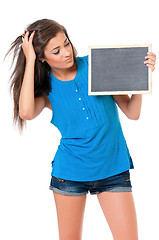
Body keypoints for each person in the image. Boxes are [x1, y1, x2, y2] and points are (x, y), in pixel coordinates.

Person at [6, 18, 156, 240]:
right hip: (70, 174)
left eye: (66, 43)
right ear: (42, 58)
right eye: (56, 51)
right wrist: (29, 61)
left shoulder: (97, 65)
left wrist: (142, 78)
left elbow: (132, 113)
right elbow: (26, 112)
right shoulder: (45, 88)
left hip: (113, 169)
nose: (67, 52)